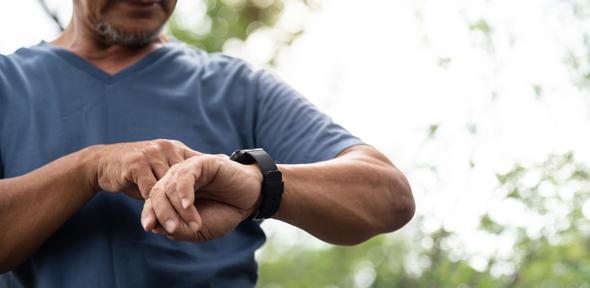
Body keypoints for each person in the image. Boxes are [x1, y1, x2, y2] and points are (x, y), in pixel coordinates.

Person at [0, 0, 415, 286]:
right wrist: (91, 167)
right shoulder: (8, 85)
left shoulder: (234, 87)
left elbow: (388, 196)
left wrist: (258, 185)